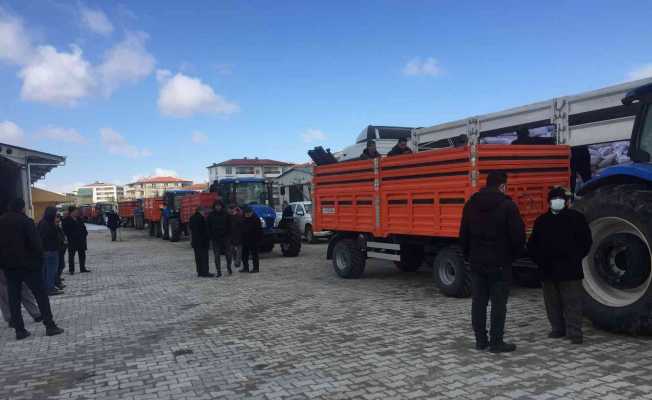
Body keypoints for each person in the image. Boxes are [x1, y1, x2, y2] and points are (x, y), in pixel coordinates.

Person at [459, 171, 525, 353]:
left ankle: (480, 341)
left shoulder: (470, 204)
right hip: (500, 263)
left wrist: (468, 256)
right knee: (498, 304)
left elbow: (463, 234)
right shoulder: (508, 206)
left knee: (478, 302)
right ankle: (496, 342)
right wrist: (512, 257)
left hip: (477, 262)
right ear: (502, 186)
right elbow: (518, 237)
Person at [527, 187, 592, 344]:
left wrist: (541, 262)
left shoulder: (543, 220)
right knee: (569, 302)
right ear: (567, 202)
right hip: (565, 269)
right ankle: (568, 331)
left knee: (557, 302)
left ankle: (563, 331)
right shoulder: (575, 218)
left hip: (553, 269)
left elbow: (531, 246)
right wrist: (576, 257)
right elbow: (586, 242)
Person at [0, 198, 64, 340]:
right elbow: (36, 244)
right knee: (40, 295)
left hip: (9, 268)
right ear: (22, 208)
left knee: (13, 299)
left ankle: (20, 330)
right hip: (29, 266)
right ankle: (50, 326)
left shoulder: (1, 221)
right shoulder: (26, 221)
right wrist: (39, 262)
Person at [37, 207, 63, 296]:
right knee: (51, 271)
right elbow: (50, 237)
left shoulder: (42, 222)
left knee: (46, 271)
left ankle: (46, 287)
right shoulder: (49, 224)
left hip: (45, 251)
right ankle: (50, 288)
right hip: (51, 250)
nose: (57, 215)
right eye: (55, 213)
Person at [207, 200, 232, 277]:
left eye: (219, 206)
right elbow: (208, 226)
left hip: (225, 237)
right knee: (217, 255)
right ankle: (218, 271)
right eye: (216, 206)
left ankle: (229, 267)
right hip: (215, 238)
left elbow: (230, 225)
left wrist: (228, 234)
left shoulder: (226, 214)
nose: (218, 207)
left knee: (228, 254)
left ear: (221, 206)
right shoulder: (211, 215)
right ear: (214, 207)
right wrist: (211, 236)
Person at [62, 206, 90, 274]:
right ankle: (71, 270)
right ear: (71, 212)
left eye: (77, 211)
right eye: (75, 211)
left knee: (82, 254)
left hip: (81, 240)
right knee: (71, 256)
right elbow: (65, 230)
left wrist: (85, 234)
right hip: (72, 241)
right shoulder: (66, 220)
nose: (77, 212)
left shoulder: (79, 219)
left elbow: (83, 228)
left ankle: (82, 268)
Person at [189, 207, 212, 277]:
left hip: (195, 241)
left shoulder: (192, 218)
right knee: (204, 257)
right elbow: (204, 230)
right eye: (203, 211)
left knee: (198, 258)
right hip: (202, 241)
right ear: (200, 211)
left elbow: (190, 228)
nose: (204, 213)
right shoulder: (202, 218)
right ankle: (205, 272)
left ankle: (199, 272)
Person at [240, 206, 263, 273]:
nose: (248, 214)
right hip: (245, 240)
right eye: (246, 213)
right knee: (244, 255)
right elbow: (241, 229)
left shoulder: (256, 219)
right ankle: (245, 268)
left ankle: (256, 268)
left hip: (254, 240)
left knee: (254, 255)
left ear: (252, 212)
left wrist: (259, 240)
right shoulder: (243, 218)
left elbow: (259, 231)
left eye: (249, 213)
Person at [229, 204, 244, 271]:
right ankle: (236, 260)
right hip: (231, 235)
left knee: (239, 250)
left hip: (238, 235)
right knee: (232, 250)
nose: (232, 210)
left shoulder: (239, 216)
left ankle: (237, 262)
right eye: (231, 209)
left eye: (233, 209)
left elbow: (241, 225)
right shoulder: (228, 216)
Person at [54, 213, 66, 290]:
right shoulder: (52, 227)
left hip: (61, 249)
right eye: (57, 218)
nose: (58, 220)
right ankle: (57, 282)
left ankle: (58, 280)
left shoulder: (57, 226)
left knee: (61, 265)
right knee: (58, 267)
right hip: (56, 249)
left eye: (58, 218)